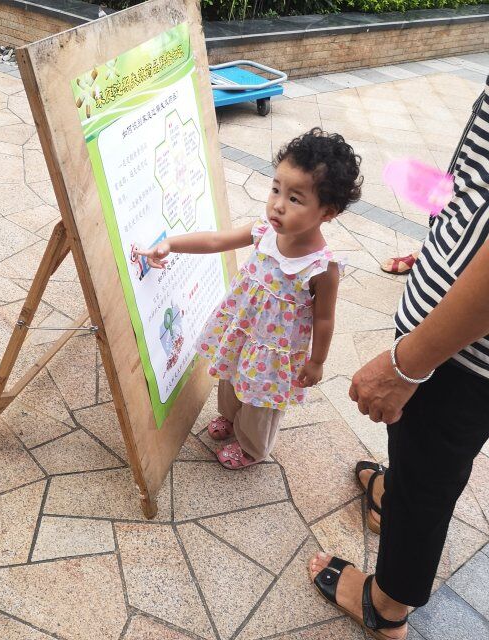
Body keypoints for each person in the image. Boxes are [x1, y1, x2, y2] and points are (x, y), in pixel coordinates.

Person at [308, 82, 489, 639]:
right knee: (418, 449)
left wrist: (409, 363)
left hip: (464, 348)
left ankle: (387, 605)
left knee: (432, 469)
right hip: (453, 328)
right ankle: (393, 494)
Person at [135, 128, 362, 469]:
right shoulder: (264, 232)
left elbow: (325, 318)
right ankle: (231, 417)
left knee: (261, 402)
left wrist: (317, 361)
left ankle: (252, 447)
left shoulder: (321, 267)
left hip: (274, 352)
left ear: (327, 212)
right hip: (242, 331)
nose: (278, 205)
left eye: (295, 199)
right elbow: (216, 240)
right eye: (276, 189)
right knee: (230, 376)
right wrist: (171, 244)